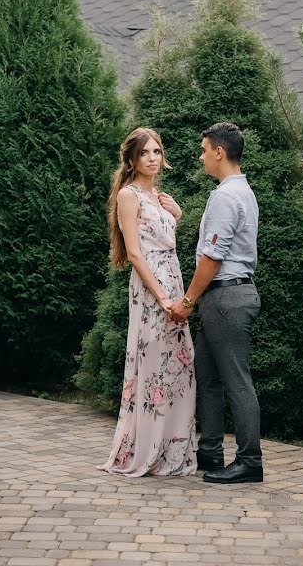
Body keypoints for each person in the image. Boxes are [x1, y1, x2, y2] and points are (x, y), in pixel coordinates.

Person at [100, 127, 196, 477]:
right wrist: (163, 298)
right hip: (152, 287)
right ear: (132, 159)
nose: (153, 158)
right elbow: (136, 254)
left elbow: (163, 236)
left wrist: (177, 214)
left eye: (157, 152)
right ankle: (146, 450)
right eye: (145, 153)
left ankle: (173, 451)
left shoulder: (160, 197)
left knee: (180, 364)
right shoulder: (129, 195)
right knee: (154, 363)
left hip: (174, 277)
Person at [170, 122, 263, 484]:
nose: (201, 155)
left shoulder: (225, 196)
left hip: (226, 297)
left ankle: (250, 461)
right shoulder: (242, 192)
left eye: (204, 149)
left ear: (219, 152)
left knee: (236, 381)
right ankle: (209, 451)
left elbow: (212, 258)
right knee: (207, 376)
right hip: (223, 298)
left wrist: (188, 300)